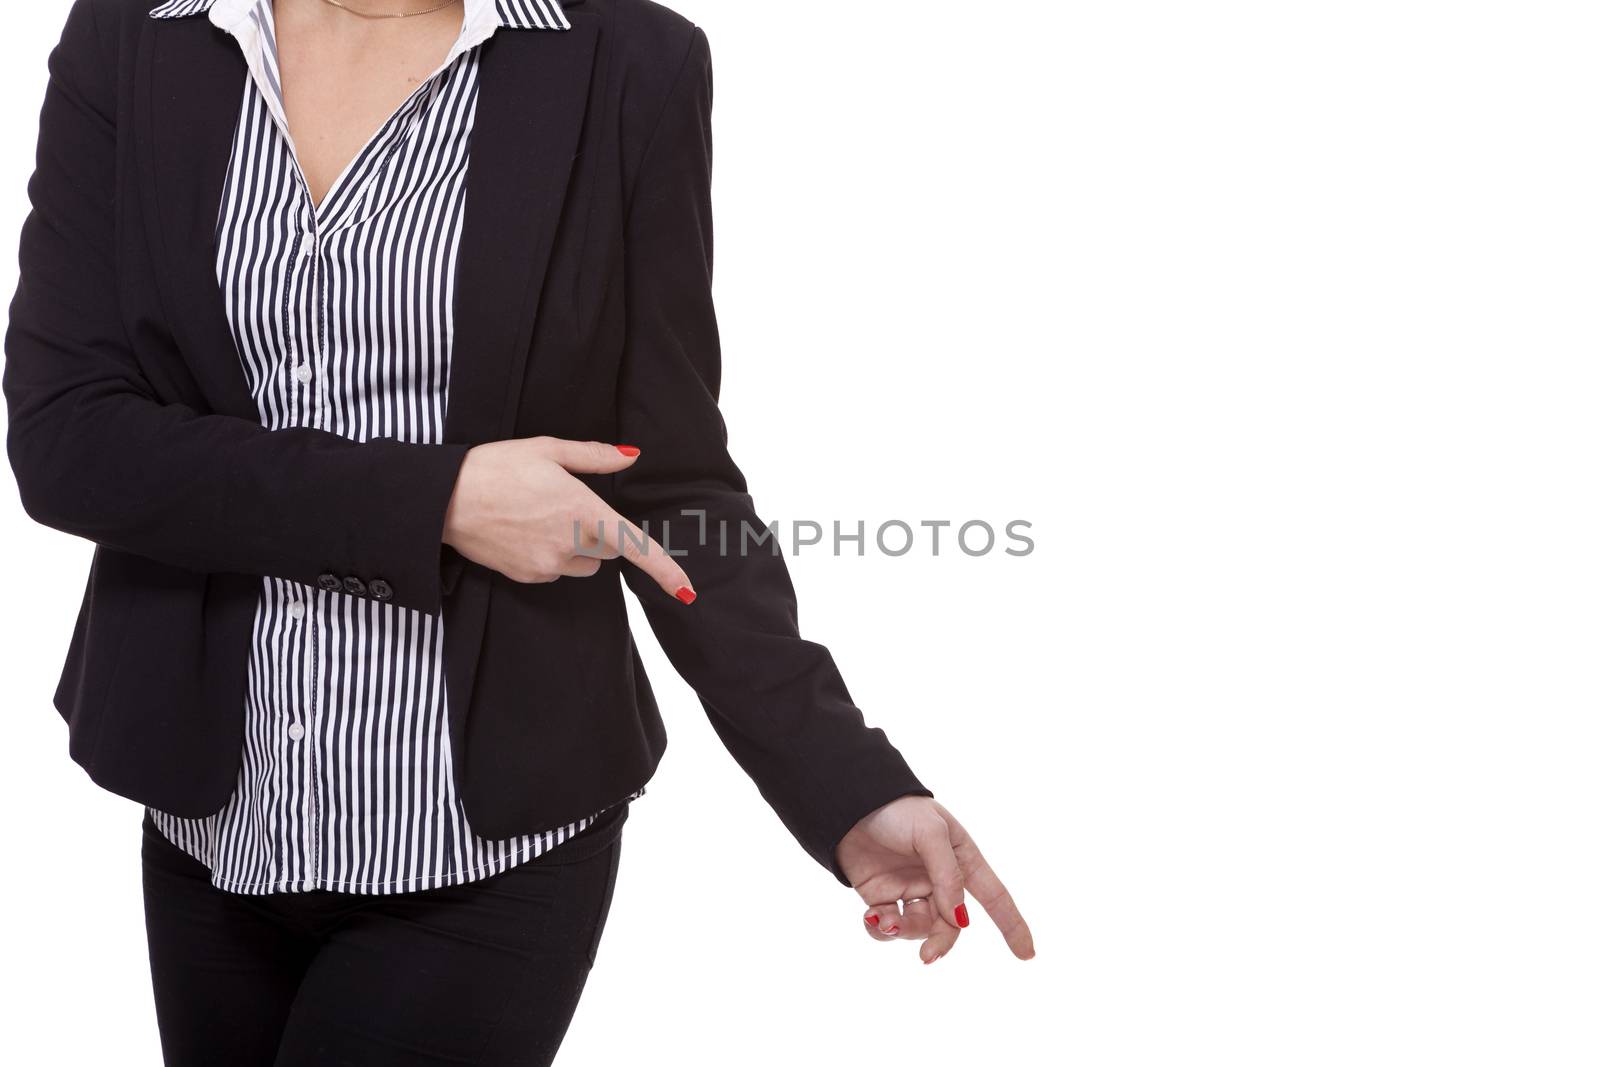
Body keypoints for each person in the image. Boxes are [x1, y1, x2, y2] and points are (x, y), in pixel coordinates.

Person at [3, 0, 1035, 1063]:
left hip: (489, 843)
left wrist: (842, 778)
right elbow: (68, 438)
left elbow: (669, 479)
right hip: (211, 820)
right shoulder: (138, 29)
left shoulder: (630, 60)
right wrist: (438, 499)